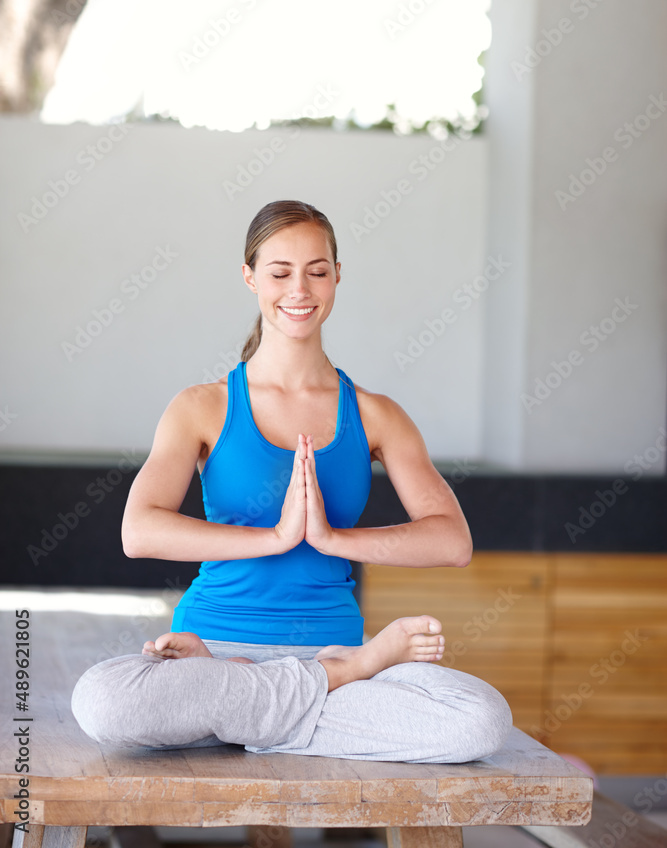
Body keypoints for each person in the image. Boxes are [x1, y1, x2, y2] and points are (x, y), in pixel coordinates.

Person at [71, 200, 512, 763]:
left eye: (317, 271)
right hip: (214, 647)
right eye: (279, 272)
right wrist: (277, 536)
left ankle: (268, 703)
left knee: (479, 721)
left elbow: (452, 542)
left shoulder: (377, 416)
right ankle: (326, 686)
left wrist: (331, 539)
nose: (299, 289)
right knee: (104, 702)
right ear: (250, 277)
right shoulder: (200, 407)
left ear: (335, 276)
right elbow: (140, 531)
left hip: (291, 657)